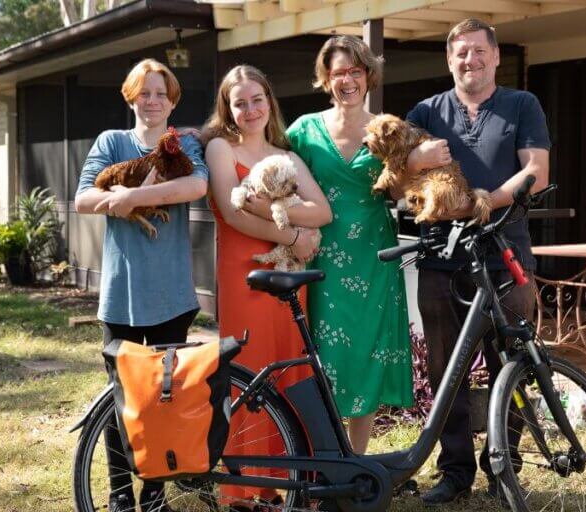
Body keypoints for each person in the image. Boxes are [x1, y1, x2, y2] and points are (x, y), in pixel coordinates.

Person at [405, 19, 550, 505]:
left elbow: (536, 168)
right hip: (440, 258)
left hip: (505, 253)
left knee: (514, 364)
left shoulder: (521, 105)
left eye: (478, 51)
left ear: (495, 57)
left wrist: (483, 201)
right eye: (461, 53)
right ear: (450, 60)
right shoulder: (425, 111)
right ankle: (454, 472)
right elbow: (394, 169)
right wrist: (416, 158)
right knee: (448, 369)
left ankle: (503, 464)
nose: (470, 60)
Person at [74, 58, 209, 512]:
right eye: (144, 93)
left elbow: (196, 187)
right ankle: (119, 496)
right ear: (131, 97)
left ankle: (154, 496)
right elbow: (83, 198)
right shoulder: (111, 142)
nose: (152, 101)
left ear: (173, 101)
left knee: (165, 403)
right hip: (121, 295)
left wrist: (132, 199)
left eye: (161, 94)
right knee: (122, 402)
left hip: (172, 295)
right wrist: (119, 199)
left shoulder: (186, 143)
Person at [202, 64, 331, 508]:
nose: (250, 109)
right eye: (240, 102)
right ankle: (246, 487)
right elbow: (233, 212)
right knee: (249, 372)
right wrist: (295, 236)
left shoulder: (287, 155)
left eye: (258, 100)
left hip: (288, 280)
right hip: (244, 276)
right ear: (228, 108)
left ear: (270, 102)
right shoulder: (220, 148)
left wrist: (285, 217)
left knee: (289, 369)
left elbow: (323, 212)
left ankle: (291, 481)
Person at [286, 35, 414, 455]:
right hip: (318, 256)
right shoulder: (304, 130)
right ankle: (322, 456)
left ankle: (356, 463)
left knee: (365, 355)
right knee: (322, 357)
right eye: (338, 72)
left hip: (374, 257)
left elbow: (402, 193)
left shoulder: (388, 129)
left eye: (354, 71)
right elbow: (269, 168)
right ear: (326, 78)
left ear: (368, 76)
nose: (347, 80)